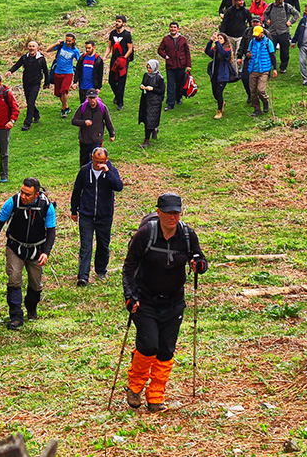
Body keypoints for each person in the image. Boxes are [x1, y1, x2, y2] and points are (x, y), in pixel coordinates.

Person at [122, 192, 209, 413]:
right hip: (145, 300)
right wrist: (130, 295)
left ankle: (156, 396)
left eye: (176, 212)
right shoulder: (145, 235)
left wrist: (200, 264)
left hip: (174, 301)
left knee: (166, 350)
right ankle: (135, 387)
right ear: (159, 212)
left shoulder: (187, 235)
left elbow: (200, 258)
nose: (173, 217)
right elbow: (130, 266)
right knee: (149, 345)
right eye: (168, 212)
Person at [0, 179, 57, 329]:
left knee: (36, 284)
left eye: (27, 194)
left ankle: (31, 307)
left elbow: (51, 231)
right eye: (22, 192)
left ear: (36, 194)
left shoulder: (46, 206)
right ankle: (16, 316)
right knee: (14, 279)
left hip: (36, 249)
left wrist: (46, 253)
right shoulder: (13, 202)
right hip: (14, 247)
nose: (23, 196)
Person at [70, 148, 123, 286]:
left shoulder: (111, 171)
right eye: (95, 161)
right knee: (86, 246)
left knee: (103, 245)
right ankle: (83, 276)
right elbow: (77, 190)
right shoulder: (84, 171)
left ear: (107, 159)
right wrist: (74, 210)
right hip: (86, 215)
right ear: (91, 158)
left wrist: (108, 172)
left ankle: (101, 271)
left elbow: (119, 186)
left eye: (101, 161)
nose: (98, 164)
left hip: (104, 216)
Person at [10, 40, 50, 128]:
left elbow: (46, 71)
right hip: (26, 83)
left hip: (36, 83)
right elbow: (17, 65)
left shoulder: (41, 59)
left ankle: (27, 123)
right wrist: (10, 71)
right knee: (29, 102)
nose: (31, 48)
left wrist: (46, 83)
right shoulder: (25, 57)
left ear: (37, 48)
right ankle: (36, 114)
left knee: (31, 102)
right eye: (30, 46)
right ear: (28, 48)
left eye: (33, 46)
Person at [72, 87, 116, 166]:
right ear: (87, 98)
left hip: (97, 139)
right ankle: (85, 177)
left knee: (96, 160)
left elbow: (108, 121)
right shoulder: (82, 107)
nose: (92, 100)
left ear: (97, 97)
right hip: (84, 139)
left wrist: (112, 134)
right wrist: (84, 122)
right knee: (84, 162)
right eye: (90, 98)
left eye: (94, 98)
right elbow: (74, 121)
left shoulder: (103, 108)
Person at [157, 21, 191, 111]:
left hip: (181, 65)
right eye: (171, 27)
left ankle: (178, 98)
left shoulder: (183, 39)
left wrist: (188, 65)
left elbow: (187, 52)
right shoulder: (166, 39)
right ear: (169, 28)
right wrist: (166, 56)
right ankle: (170, 103)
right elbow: (160, 50)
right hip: (170, 66)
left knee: (179, 83)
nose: (173, 29)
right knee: (170, 85)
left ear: (178, 29)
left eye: (175, 27)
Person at [245, 24, 277, 117]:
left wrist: (275, 68)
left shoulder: (268, 42)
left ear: (262, 33)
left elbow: (272, 55)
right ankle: (257, 108)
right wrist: (248, 55)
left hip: (264, 69)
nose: (256, 36)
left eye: (257, 34)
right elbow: (248, 52)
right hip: (253, 69)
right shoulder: (252, 42)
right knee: (253, 91)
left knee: (261, 89)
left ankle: (265, 101)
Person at [263, 0, 299, 73]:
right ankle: (270, 66)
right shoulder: (271, 6)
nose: (277, 1)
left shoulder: (287, 7)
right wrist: (267, 20)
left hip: (284, 32)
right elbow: (265, 13)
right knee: (270, 51)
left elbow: (297, 14)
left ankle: (283, 67)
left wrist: (291, 21)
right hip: (272, 32)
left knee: (285, 51)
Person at [203, 32, 237, 118]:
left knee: (219, 92)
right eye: (218, 38)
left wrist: (218, 43)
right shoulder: (215, 50)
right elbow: (207, 51)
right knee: (215, 93)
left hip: (223, 75)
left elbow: (223, 54)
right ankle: (221, 103)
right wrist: (211, 40)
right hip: (215, 74)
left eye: (220, 38)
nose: (218, 39)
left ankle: (219, 111)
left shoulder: (227, 50)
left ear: (225, 40)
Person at [48, 31, 80, 118]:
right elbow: (48, 50)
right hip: (58, 71)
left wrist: (78, 75)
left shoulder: (75, 50)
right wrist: (56, 44)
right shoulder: (61, 45)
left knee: (64, 91)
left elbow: (79, 61)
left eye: (70, 41)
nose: (68, 43)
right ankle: (66, 106)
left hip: (68, 72)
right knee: (58, 93)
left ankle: (63, 109)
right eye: (67, 40)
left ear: (73, 41)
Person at [106, 15, 134, 110]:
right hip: (114, 60)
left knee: (121, 82)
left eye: (119, 21)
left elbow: (130, 49)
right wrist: (105, 56)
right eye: (116, 21)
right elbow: (109, 46)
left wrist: (124, 58)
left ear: (124, 23)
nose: (117, 23)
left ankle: (120, 103)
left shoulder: (127, 35)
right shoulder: (113, 33)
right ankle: (117, 96)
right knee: (111, 81)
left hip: (123, 61)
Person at [137, 59, 165, 147]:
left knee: (150, 119)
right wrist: (142, 86)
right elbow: (143, 83)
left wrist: (152, 89)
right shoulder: (146, 75)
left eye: (150, 68)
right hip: (146, 100)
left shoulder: (159, 78)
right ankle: (154, 130)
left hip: (155, 102)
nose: (148, 69)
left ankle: (146, 140)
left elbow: (162, 91)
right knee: (146, 118)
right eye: (147, 67)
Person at [218, 0, 250, 67]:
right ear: (235, 2)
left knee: (239, 54)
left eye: (242, 0)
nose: (242, 2)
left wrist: (248, 33)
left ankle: (240, 70)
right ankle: (233, 70)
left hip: (240, 36)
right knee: (231, 54)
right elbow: (224, 23)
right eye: (240, 1)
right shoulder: (229, 11)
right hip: (230, 35)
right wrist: (222, 34)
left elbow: (250, 22)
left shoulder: (245, 11)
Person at [76, 39, 104, 104]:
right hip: (82, 86)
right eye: (86, 48)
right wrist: (75, 81)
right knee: (82, 104)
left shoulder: (98, 59)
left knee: (91, 104)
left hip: (92, 86)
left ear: (94, 47)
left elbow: (100, 74)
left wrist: (98, 87)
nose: (87, 50)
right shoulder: (82, 57)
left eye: (89, 48)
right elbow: (78, 70)